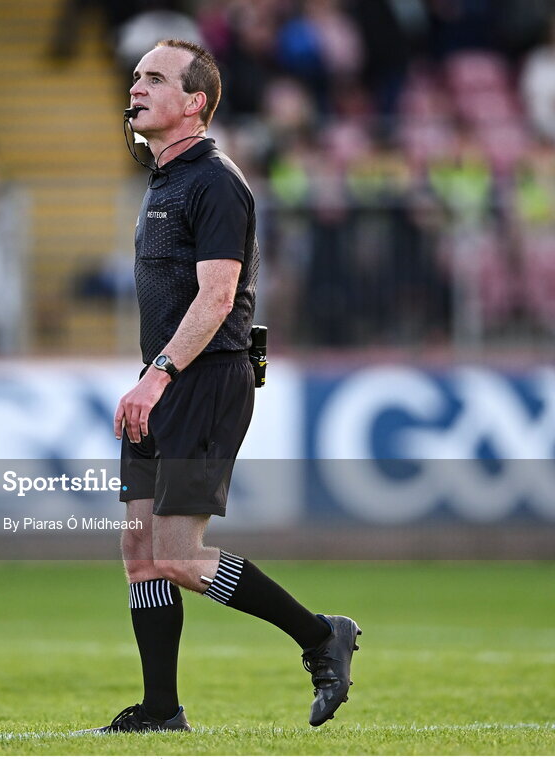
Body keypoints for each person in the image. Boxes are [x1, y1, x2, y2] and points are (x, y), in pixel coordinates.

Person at [83, 38, 361, 733]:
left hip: (202, 380)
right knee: (140, 549)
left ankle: (320, 633)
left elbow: (217, 296)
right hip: (166, 380)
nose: (137, 85)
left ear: (194, 102)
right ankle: (159, 708)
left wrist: (157, 376)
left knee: (176, 554)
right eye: (136, 75)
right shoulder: (165, 178)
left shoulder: (214, 180)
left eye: (154, 77)